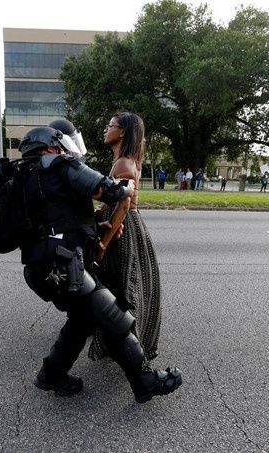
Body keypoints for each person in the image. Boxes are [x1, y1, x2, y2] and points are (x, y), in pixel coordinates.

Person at [17, 126, 182, 403]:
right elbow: (109, 189)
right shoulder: (59, 166)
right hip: (65, 266)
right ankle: (144, 381)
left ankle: (51, 375)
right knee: (113, 317)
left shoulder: (26, 175)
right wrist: (128, 186)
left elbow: (55, 217)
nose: (64, 148)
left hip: (39, 269)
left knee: (82, 320)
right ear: (51, 145)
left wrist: (94, 224)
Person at [89, 111, 163, 363]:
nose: (105, 129)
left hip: (125, 227)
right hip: (123, 222)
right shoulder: (124, 160)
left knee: (121, 285)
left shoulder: (123, 163)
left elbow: (122, 206)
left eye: (110, 125)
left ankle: (127, 345)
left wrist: (103, 243)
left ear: (122, 132)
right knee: (121, 283)